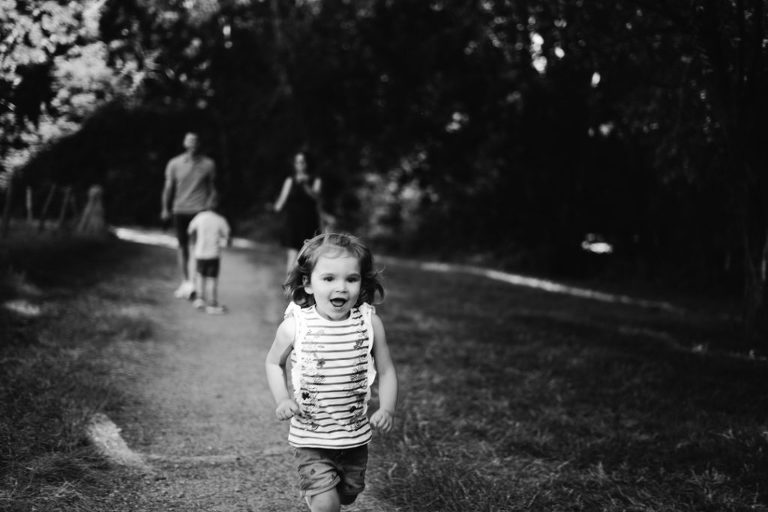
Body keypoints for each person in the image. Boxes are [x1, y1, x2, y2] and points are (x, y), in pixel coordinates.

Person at [265, 233, 398, 512]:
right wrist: (283, 399)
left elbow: (386, 370)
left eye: (351, 279)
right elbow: (273, 363)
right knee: (327, 504)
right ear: (308, 283)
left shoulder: (369, 323)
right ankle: (319, 497)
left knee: (348, 494)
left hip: (354, 436)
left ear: (361, 282)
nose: (342, 287)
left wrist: (387, 408)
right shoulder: (296, 326)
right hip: (311, 436)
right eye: (328, 278)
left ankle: (327, 495)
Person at [161, 132, 218, 300]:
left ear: (199, 144)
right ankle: (185, 282)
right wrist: (165, 208)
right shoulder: (174, 163)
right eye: (189, 140)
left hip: (199, 211)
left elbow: (213, 188)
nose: (192, 143)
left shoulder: (208, 164)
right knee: (182, 247)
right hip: (179, 210)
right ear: (184, 143)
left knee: (196, 248)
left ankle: (194, 283)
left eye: (195, 141)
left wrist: (210, 205)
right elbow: (168, 188)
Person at [273, 150, 323, 274]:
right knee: (292, 254)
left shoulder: (315, 180)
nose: (299, 165)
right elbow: (281, 200)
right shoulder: (290, 180)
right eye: (297, 162)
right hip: (293, 222)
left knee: (308, 255)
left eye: (302, 162)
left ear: (307, 163)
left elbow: (316, 197)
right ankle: (290, 283)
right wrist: (276, 207)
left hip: (309, 222)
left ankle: (302, 282)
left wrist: (305, 184)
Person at [187, 203, 230, 314]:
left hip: (200, 253)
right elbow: (227, 236)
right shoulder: (220, 220)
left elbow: (190, 230)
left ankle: (200, 299)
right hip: (213, 255)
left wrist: (194, 242)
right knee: (212, 279)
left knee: (200, 275)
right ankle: (212, 303)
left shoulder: (199, 217)